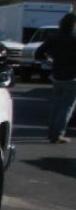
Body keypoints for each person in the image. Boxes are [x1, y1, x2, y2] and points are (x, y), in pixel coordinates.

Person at [35, 12, 76, 144]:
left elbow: (38, 54)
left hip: (57, 75)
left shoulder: (54, 37)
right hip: (72, 76)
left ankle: (51, 132)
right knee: (67, 106)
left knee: (56, 104)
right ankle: (59, 133)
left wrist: (50, 62)